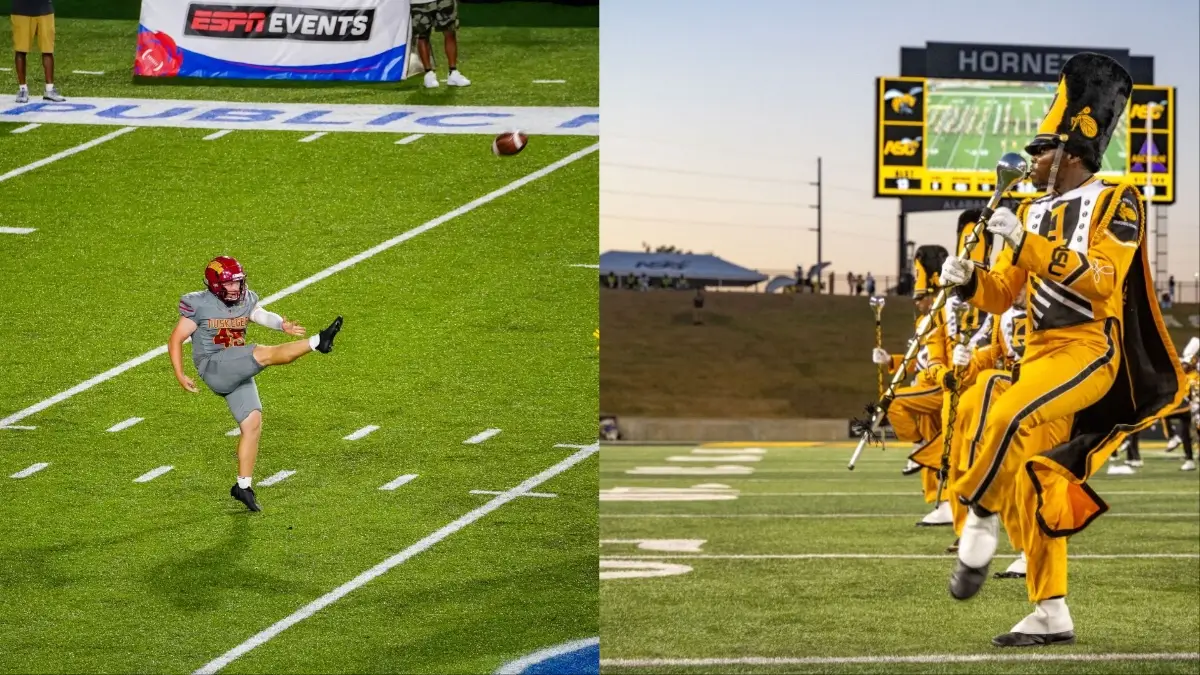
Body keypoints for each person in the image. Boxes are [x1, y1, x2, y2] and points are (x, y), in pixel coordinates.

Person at [938, 52, 1186, 647]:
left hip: (1090, 350)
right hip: (1040, 355)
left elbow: (1103, 280)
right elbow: (1003, 295)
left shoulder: (1118, 198)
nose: (1032, 160)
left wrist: (1026, 243)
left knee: (1007, 411)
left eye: (1041, 149)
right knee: (1035, 481)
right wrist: (968, 281)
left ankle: (978, 516)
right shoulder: (1028, 208)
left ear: (1073, 150)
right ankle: (1051, 610)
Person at [168, 256, 344, 512]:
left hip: (236, 365)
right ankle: (318, 342)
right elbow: (175, 340)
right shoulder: (200, 305)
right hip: (214, 365)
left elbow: (259, 314)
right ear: (215, 285)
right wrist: (180, 374)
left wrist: (281, 324)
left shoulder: (244, 300)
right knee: (262, 353)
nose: (235, 288)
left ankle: (243, 486)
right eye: (229, 284)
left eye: (238, 282)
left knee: (252, 422)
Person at [11, 0, 65, 103]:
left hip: (44, 8)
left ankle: (49, 89)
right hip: (21, 10)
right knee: (20, 50)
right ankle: (23, 89)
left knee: (48, 50)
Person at [410, 0, 470, 89]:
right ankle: (429, 74)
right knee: (422, 35)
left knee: (450, 31)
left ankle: (453, 72)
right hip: (419, 2)